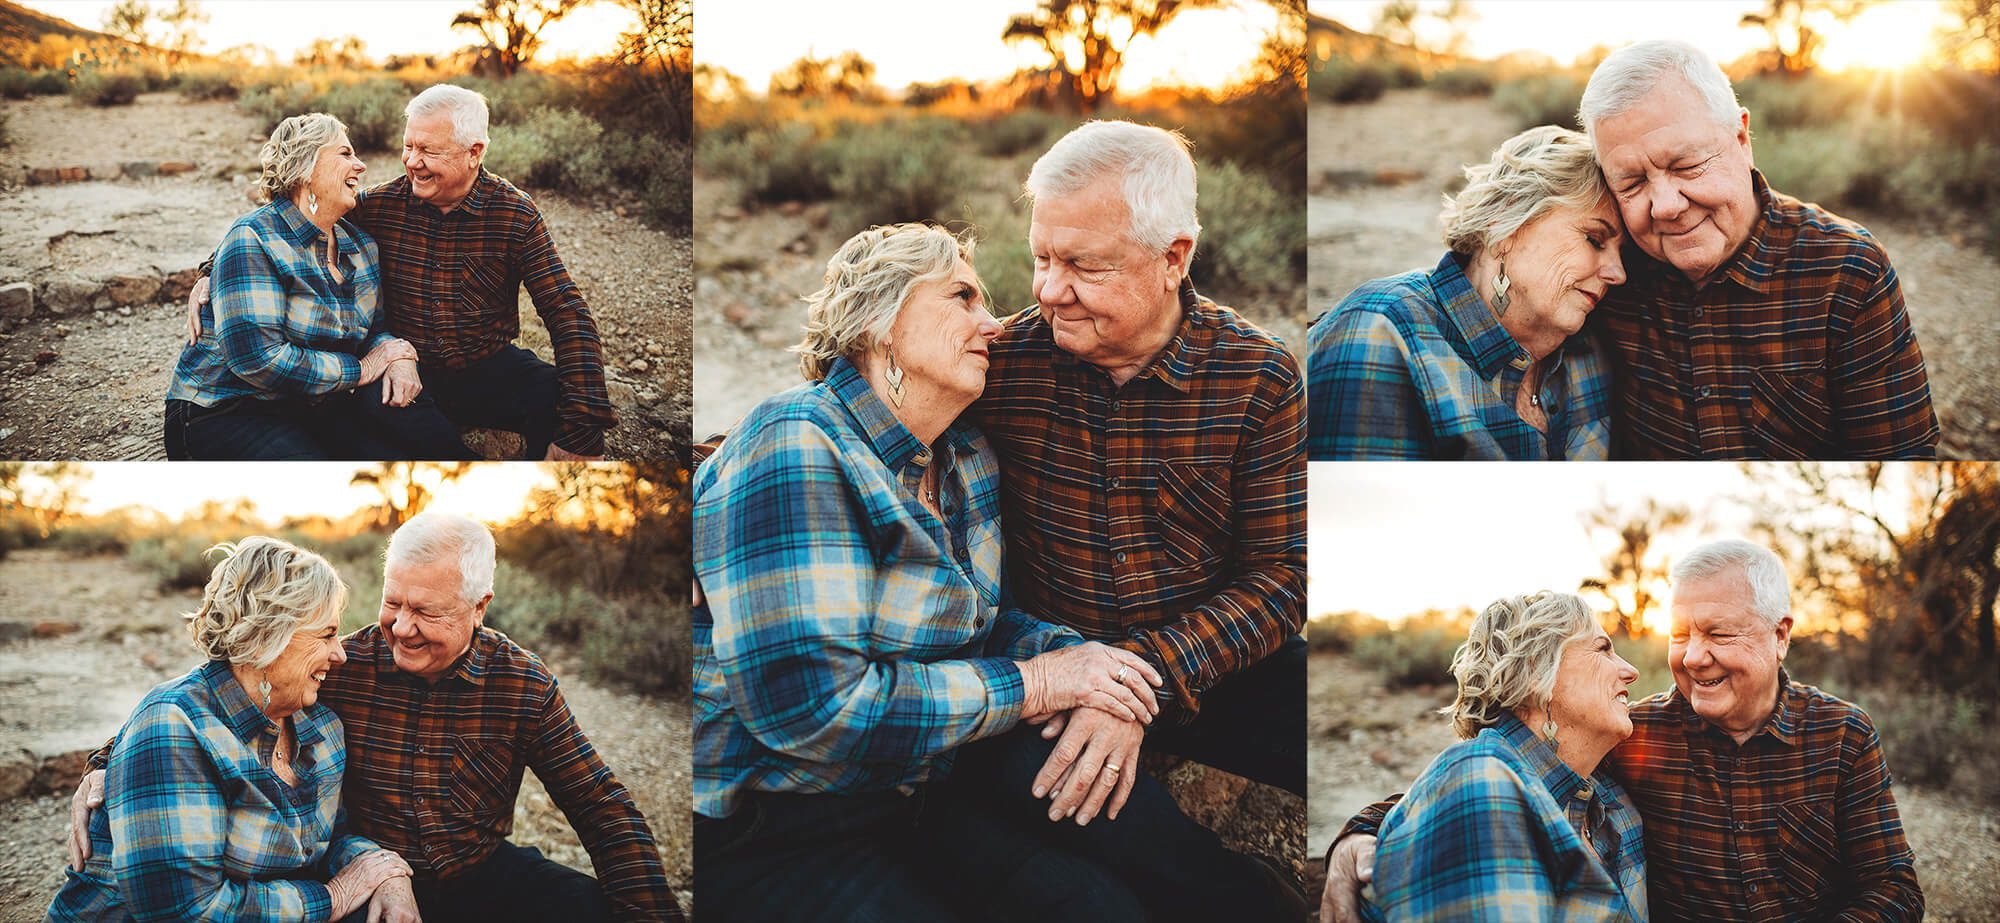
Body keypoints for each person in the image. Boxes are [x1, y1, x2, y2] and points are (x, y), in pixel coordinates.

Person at [691, 223, 1169, 921]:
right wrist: (1039, 682)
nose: (994, 323)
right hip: (768, 822)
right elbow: (814, 711)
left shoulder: (962, 456)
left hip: (904, 793)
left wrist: (1088, 665)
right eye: (963, 297)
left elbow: (975, 628)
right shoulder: (797, 441)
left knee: (1099, 908)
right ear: (881, 324)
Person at [960, 119, 1309, 918]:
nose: (1048, 289)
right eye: (1043, 256)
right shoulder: (1001, 363)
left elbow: (1284, 578)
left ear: (1173, 257)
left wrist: (1140, 681)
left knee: (1311, 712)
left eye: (1084, 265)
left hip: (1208, 666)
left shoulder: (1257, 376)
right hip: (1051, 676)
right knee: (1072, 802)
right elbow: (848, 418)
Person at [71, 513, 684, 922]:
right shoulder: (340, 662)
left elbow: (599, 805)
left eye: (428, 612)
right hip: (362, 876)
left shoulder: (521, 682)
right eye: (393, 602)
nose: (402, 627)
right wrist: (111, 763)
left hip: (476, 870)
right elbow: (215, 697)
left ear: (480, 607)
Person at [1324, 539, 1924, 922]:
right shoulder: (1639, 732)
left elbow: (1893, 887)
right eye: (1681, 635)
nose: (1692, 659)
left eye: (1717, 634)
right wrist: (1355, 838)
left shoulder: (1843, 734)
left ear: (1780, 635)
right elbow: (1500, 774)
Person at [190, 84, 618, 460]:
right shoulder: (381, 205)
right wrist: (213, 270)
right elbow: (286, 220)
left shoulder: (514, 214)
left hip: (484, 366)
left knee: (557, 396)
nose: (412, 162)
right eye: (409, 146)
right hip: (406, 368)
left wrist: (579, 435)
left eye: (428, 150)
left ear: (475, 152)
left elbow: (565, 310)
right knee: (389, 427)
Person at [1581, 40, 1938, 458]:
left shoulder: (1848, 269)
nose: (1665, 206)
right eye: (1632, 183)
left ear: (1741, 138)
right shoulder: (1609, 267)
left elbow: (1901, 457)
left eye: (1687, 166)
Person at [48, 538, 416, 922]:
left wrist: (386, 870)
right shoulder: (175, 725)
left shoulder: (321, 728)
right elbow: (185, 911)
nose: (340, 654)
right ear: (270, 637)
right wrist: (334, 897)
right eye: (325, 635)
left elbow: (330, 842)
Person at [1307, 125, 1624, 460]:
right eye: (1594, 239)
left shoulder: (1590, 354)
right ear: (1507, 224)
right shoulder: (1381, 335)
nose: (1617, 273)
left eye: (1622, 253)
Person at [164, 113, 465, 461]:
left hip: (311, 401)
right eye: (345, 154)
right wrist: (361, 370)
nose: (361, 165)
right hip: (226, 407)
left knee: (409, 442)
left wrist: (397, 354)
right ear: (306, 168)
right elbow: (257, 360)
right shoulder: (253, 238)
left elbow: (374, 330)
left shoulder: (361, 247)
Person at [1363, 591, 1646, 922]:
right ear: (1536, 671)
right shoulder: (1478, 781)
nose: (1631, 670)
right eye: (1603, 649)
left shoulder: (1613, 800)